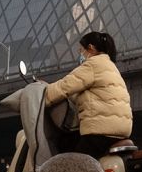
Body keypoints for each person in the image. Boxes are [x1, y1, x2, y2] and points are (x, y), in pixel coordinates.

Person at [43, 30, 132, 159]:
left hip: (101, 132)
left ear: (90, 48)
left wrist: (43, 94)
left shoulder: (93, 65)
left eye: (81, 51)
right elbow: (84, 93)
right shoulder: (111, 67)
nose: (81, 55)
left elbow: (65, 86)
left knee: (71, 163)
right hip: (121, 130)